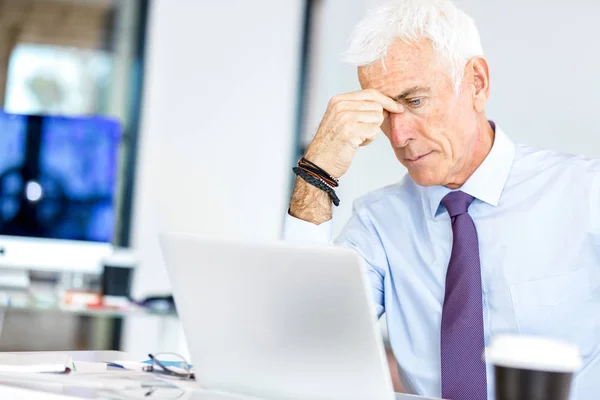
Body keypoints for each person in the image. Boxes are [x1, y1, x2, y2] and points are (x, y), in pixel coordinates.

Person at [282, 0, 600, 399]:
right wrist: (315, 171)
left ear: (477, 83)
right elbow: (299, 339)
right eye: (383, 111)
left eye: (414, 101)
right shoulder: (379, 224)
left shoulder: (587, 195)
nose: (398, 137)